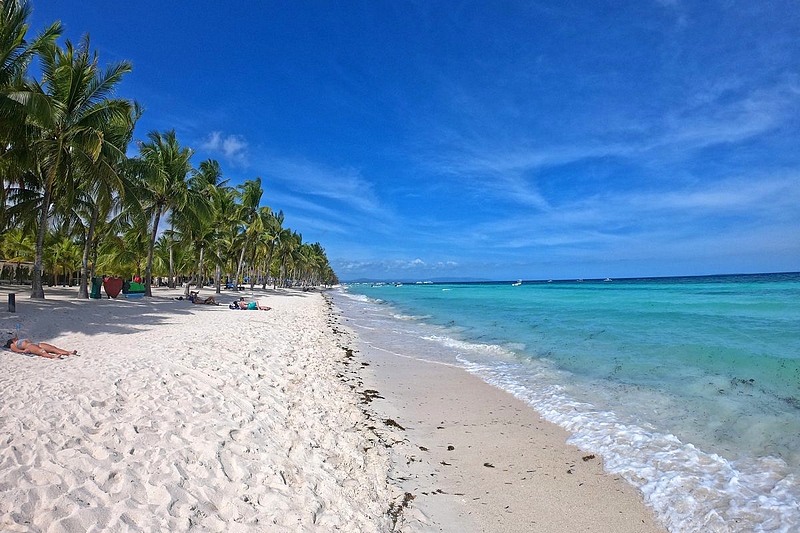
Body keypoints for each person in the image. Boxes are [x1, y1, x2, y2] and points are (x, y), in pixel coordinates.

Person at [4, 336, 77, 359]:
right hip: (29, 346)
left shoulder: (18, 340)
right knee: (42, 351)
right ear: (11, 340)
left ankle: (68, 352)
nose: (14, 337)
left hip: (36, 343)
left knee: (53, 348)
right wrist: (23, 351)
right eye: (13, 338)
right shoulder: (12, 344)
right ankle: (53, 356)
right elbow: (15, 350)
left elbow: (16, 335)